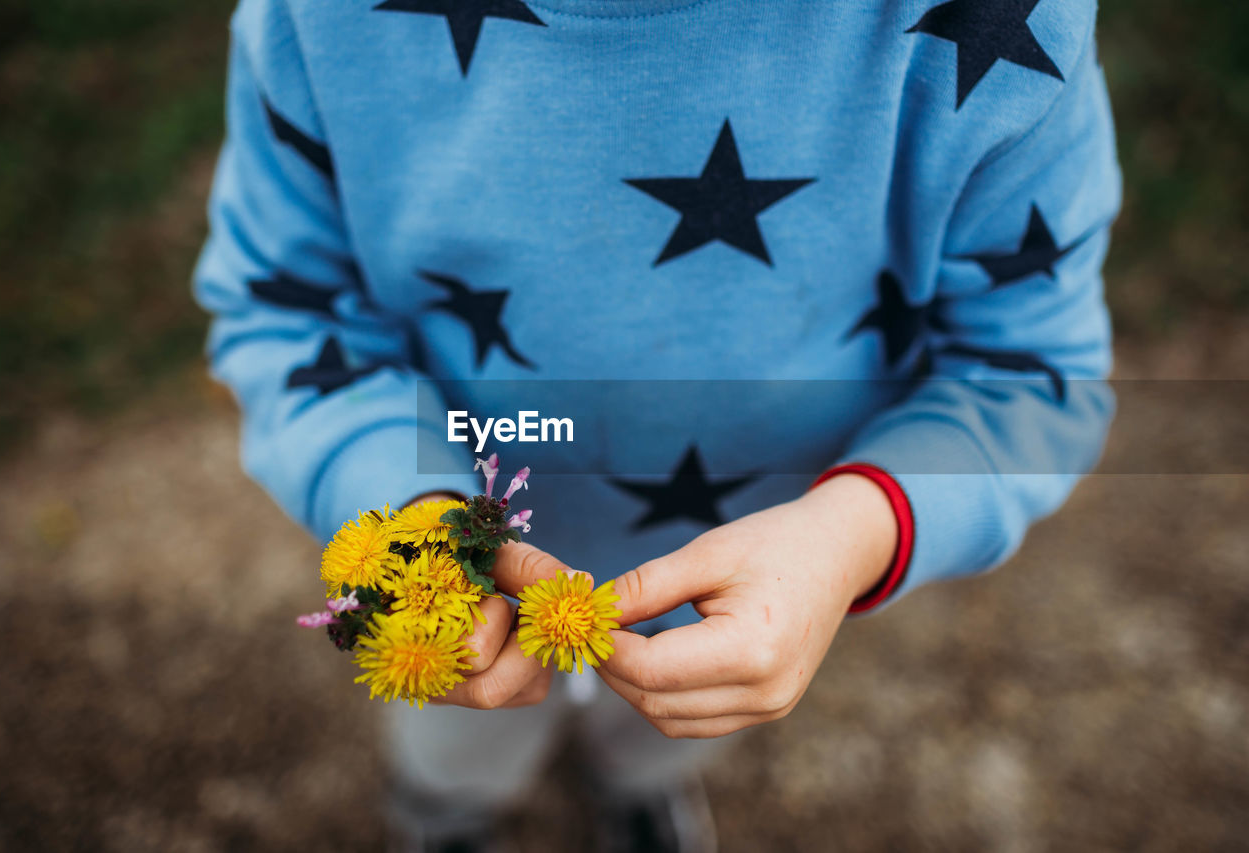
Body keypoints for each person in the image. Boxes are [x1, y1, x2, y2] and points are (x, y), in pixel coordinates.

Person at [194, 1, 1120, 849]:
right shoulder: (319, 24)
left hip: (744, 568)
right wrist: (396, 499)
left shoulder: (997, 31)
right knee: (459, 735)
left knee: (677, 722)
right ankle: (448, 812)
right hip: (457, 573)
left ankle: (638, 792)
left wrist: (851, 537)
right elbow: (290, 319)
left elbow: (1032, 376)